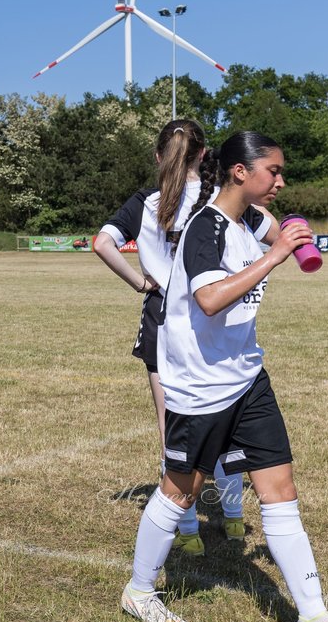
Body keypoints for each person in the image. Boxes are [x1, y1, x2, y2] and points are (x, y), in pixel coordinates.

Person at [119, 131, 328, 622]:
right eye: (273, 171)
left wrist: (292, 238)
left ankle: (315, 621)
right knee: (182, 490)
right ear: (240, 172)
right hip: (200, 386)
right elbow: (211, 300)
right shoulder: (206, 227)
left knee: (280, 489)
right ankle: (139, 589)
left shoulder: (248, 221)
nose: (281, 182)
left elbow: (274, 237)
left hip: (246, 377)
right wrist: (277, 255)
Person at [94, 119, 260, 556]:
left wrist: (140, 282)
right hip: (217, 316)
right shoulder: (219, 200)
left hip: (164, 317)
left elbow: (102, 243)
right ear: (205, 156)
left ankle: (186, 529)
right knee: (227, 419)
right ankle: (234, 519)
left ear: (157, 157)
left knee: (174, 430)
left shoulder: (144, 202)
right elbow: (271, 232)